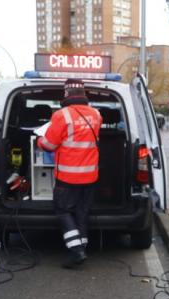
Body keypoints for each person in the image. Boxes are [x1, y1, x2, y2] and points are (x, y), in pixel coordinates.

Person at [37, 78, 102, 268]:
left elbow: (49, 145)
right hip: (90, 175)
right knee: (82, 212)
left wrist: (39, 140)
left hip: (68, 177)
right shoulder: (97, 115)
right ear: (83, 94)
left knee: (63, 210)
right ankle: (82, 246)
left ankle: (76, 252)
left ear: (66, 94)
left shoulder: (61, 116)